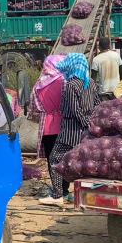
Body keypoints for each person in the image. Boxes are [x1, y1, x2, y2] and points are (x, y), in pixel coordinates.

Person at [39, 53, 100, 206]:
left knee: (55, 159)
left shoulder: (71, 84)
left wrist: (84, 123)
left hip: (70, 130)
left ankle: (58, 194)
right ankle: (83, 195)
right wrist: (90, 125)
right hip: (85, 131)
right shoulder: (91, 82)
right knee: (82, 162)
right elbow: (97, 104)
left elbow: (74, 110)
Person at [31, 55, 66, 175]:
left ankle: (56, 189)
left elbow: (34, 109)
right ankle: (65, 187)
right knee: (64, 157)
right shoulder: (63, 81)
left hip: (46, 127)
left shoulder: (38, 84)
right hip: (63, 124)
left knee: (52, 158)